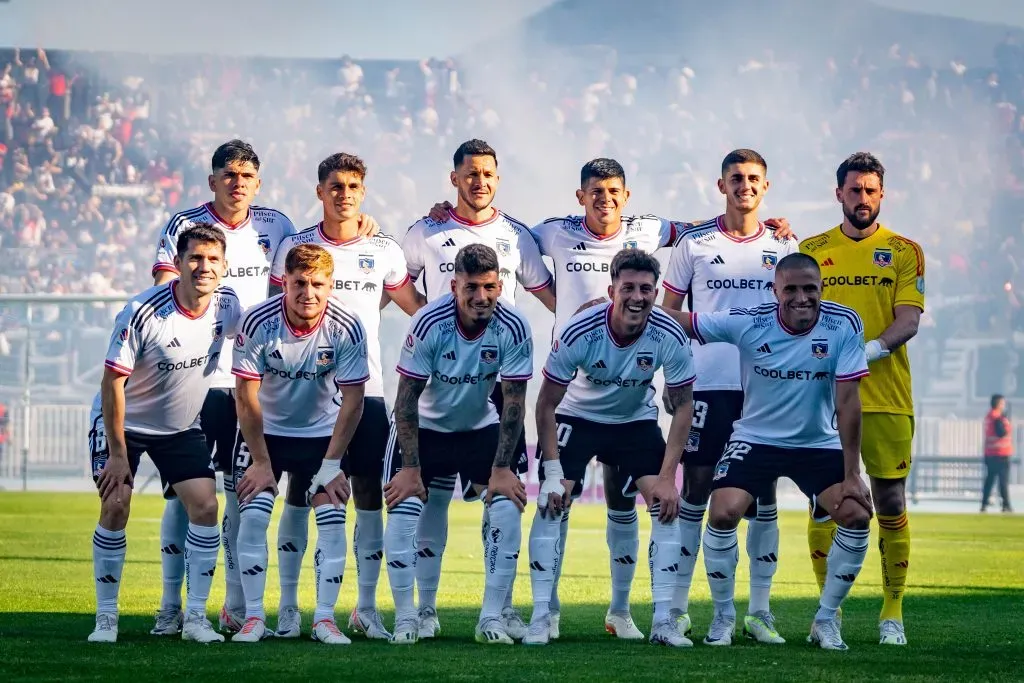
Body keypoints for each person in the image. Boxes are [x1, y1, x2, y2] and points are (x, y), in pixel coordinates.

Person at [149, 139, 379, 635]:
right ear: (213, 180)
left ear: (258, 182)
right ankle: (172, 606)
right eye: (228, 174)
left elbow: (315, 260)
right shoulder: (184, 226)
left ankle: (237, 606)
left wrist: (365, 231)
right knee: (185, 494)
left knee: (246, 495)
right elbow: (168, 290)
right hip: (200, 377)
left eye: (247, 175)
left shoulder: (276, 226)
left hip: (259, 379)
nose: (238, 182)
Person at [668, 252, 873, 650]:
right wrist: (615, 306)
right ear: (775, 289)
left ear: (821, 289)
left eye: (809, 288)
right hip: (756, 438)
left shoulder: (844, 324)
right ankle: (725, 615)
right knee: (724, 510)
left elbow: (849, 403)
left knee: (857, 515)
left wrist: (852, 473)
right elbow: (686, 322)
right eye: (791, 289)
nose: (801, 297)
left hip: (816, 442)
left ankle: (826, 620)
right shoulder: (751, 321)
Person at [268, 153, 425, 640]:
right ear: (320, 191)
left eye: (353, 185)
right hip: (306, 396)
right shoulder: (295, 246)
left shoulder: (383, 248)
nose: (344, 194)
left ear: (363, 191)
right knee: (301, 492)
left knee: (367, 495)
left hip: (368, 392)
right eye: (335, 185)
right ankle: (291, 608)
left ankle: (364, 607)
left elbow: (416, 308)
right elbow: (277, 311)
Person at [400, 139, 553, 640]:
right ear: (455, 178)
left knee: (506, 496)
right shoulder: (428, 229)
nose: (479, 181)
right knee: (424, 497)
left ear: (498, 177)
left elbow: (551, 293)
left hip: (491, 387)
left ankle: (497, 611)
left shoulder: (518, 235)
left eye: (488, 172)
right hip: (433, 392)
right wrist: (436, 333)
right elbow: (392, 276)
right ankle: (419, 611)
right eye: (470, 173)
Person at [660, 149, 796, 644]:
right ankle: (677, 608)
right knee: (695, 490)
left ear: (766, 186)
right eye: (736, 178)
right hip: (706, 386)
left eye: (753, 178)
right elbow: (668, 315)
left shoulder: (784, 244)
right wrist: (672, 382)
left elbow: (797, 319)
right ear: (721, 185)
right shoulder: (695, 244)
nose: (745, 185)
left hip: (764, 388)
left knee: (762, 494)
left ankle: (759, 612)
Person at [527, 248, 696, 647]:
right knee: (553, 500)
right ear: (612, 290)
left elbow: (684, 404)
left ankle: (654, 620)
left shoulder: (669, 333)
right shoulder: (581, 330)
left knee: (666, 506)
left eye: (646, 289)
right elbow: (546, 403)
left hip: (634, 422)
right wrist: (552, 473)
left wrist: (669, 478)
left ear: (656, 293)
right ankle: (542, 614)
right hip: (578, 418)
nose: (638, 297)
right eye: (629, 288)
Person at [87, 224, 244, 644]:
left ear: (225, 266)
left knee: (206, 506)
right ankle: (106, 619)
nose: (204, 266)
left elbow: (259, 338)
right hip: (122, 424)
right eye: (194, 258)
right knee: (117, 504)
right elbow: (111, 383)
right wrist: (118, 454)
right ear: (176, 264)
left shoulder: (228, 307)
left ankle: (194, 618)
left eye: (213, 259)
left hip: (178, 428)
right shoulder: (142, 310)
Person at [800, 152, 924, 646]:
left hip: (886, 395)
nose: (863, 198)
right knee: (825, 503)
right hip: (823, 400)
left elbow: (909, 319)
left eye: (871, 190)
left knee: (890, 498)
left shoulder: (903, 249)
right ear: (839, 194)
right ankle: (827, 613)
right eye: (855, 190)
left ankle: (892, 613)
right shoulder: (813, 248)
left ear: (881, 195)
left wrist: (865, 352)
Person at [383, 244, 533, 645]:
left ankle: (492, 618)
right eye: (471, 288)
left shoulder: (514, 327)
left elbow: (514, 402)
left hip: (477, 426)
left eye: (488, 287)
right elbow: (406, 401)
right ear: (453, 286)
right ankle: (411, 617)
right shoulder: (429, 323)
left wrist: (502, 469)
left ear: (500, 286)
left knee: (507, 506)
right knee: (405, 509)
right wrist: (411, 469)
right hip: (423, 428)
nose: (480, 297)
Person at [230, 243, 370, 645]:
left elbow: (354, 400)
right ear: (285, 283)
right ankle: (255, 618)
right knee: (255, 514)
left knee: (331, 517)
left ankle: (324, 619)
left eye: (318, 284)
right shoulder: (258, 321)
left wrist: (332, 463)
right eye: (299, 283)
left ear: (331, 286)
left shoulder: (347, 324)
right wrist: (260, 461)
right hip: (266, 434)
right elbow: (245, 395)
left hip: (321, 435)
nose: (308, 293)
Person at [982, 394, 1013, 513]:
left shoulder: (989, 417)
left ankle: (984, 504)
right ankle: (1006, 505)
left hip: (990, 454)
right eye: (1002, 403)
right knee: (1003, 482)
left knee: (989, 480)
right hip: (1001, 454)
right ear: (998, 404)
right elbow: (1002, 432)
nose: (1004, 405)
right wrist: (1005, 421)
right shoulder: (997, 418)